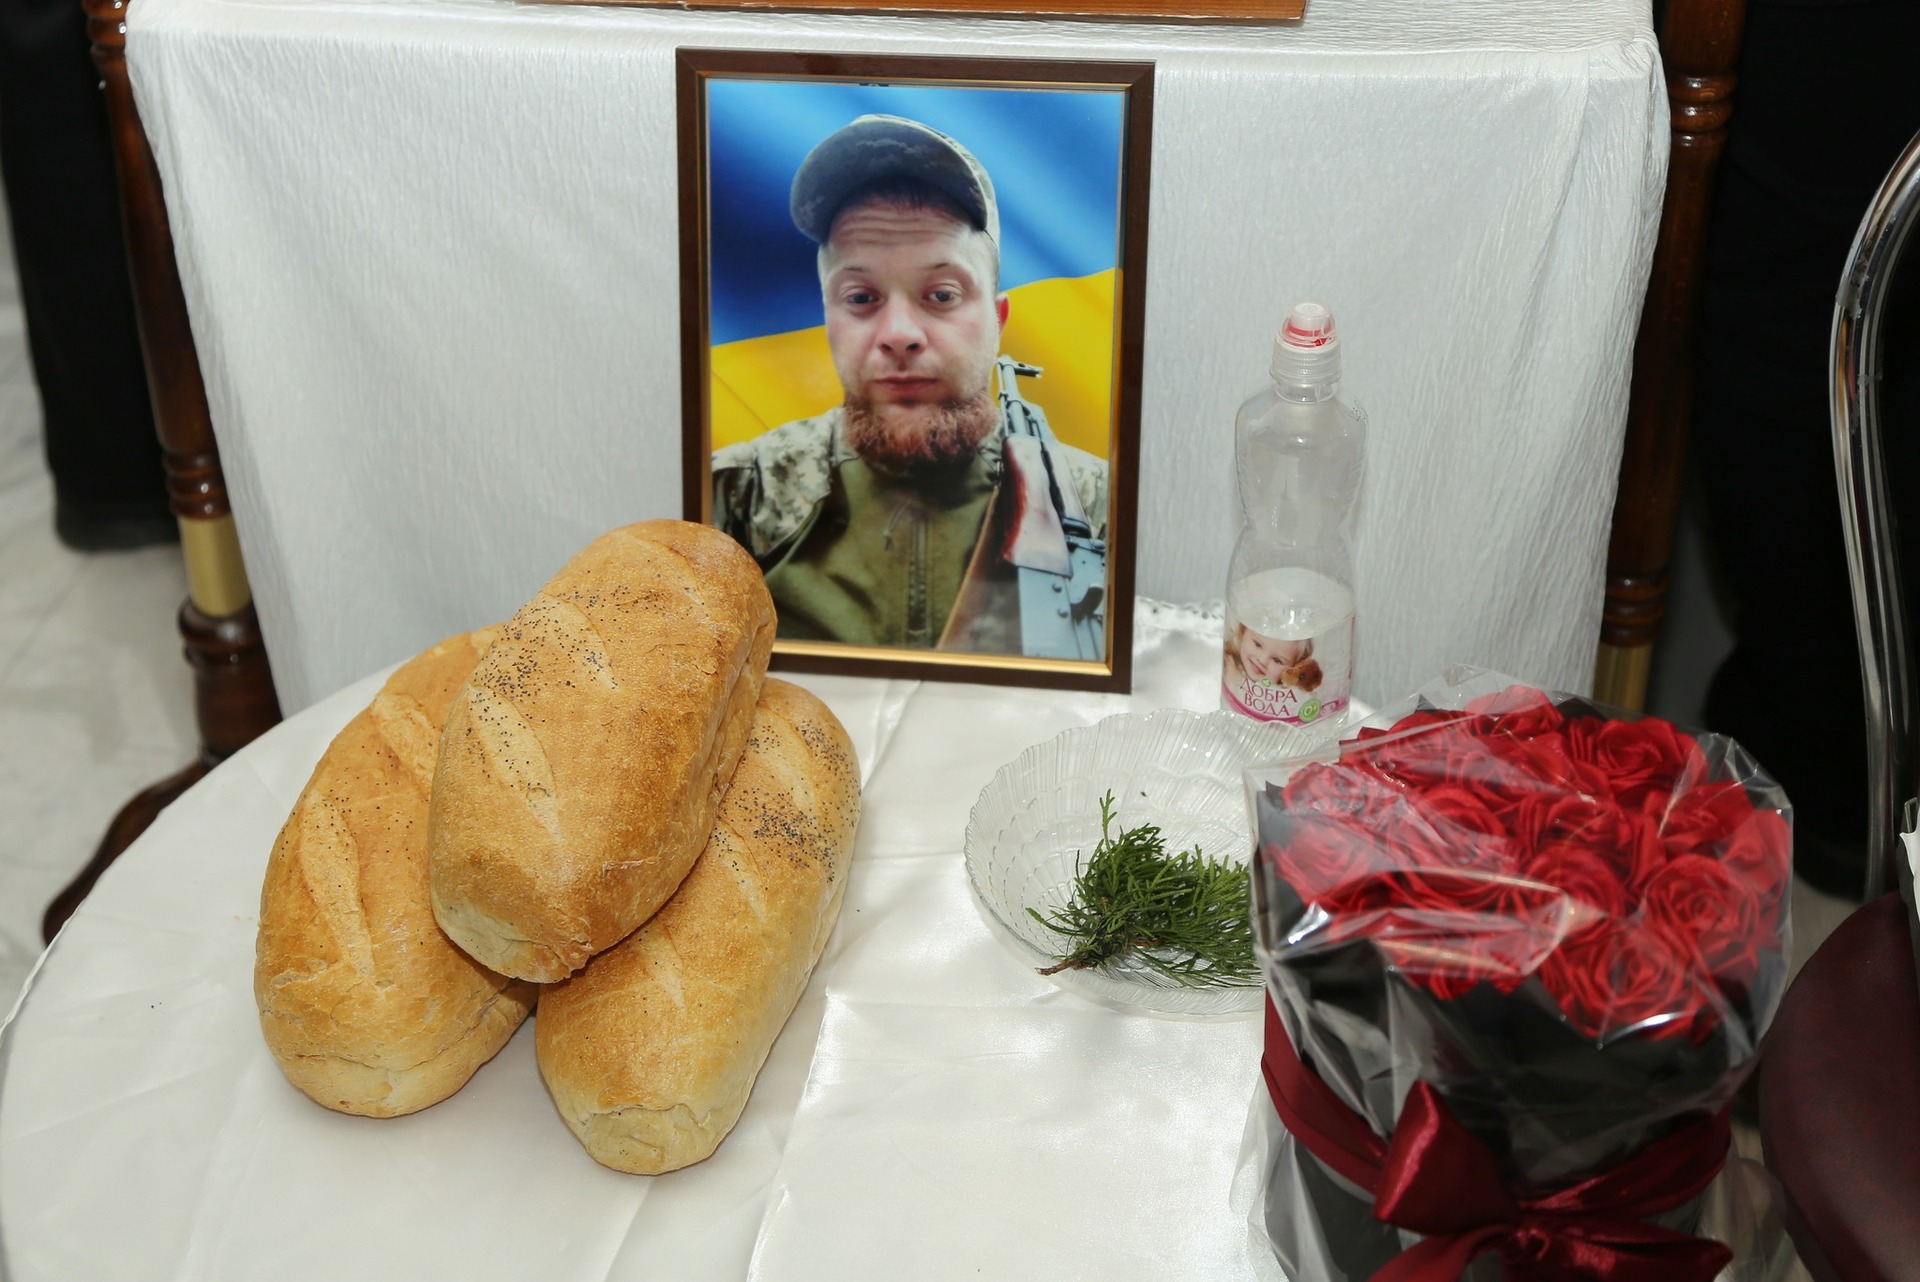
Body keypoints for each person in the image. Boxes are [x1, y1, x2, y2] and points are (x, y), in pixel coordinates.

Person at [710, 114, 1108, 659]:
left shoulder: (1096, 505)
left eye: (941, 295)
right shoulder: (736, 496)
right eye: (860, 298)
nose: (899, 334)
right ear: (828, 321)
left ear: (998, 321)